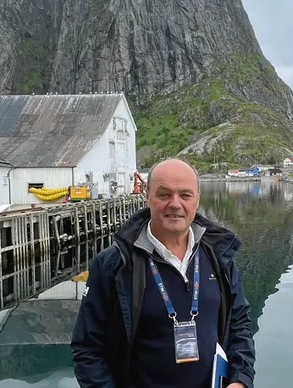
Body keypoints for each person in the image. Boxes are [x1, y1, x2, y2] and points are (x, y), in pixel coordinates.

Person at [71, 158, 256, 388]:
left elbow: (239, 324)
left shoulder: (219, 256)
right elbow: (87, 349)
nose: (175, 204)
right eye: (164, 194)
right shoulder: (114, 264)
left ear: (197, 200)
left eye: (185, 195)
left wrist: (240, 380)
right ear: (147, 197)